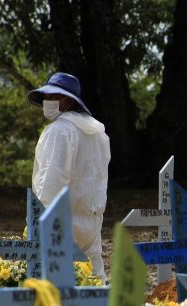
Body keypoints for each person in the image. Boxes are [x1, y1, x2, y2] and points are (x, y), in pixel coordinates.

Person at [28, 72, 110, 279]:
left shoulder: (59, 131)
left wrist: (39, 224)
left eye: (55, 97)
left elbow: (51, 182)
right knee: (93, 283)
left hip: (61, 222)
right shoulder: (99, 133)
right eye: (47, 97)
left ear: (68, 101)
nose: (49, 102)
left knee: (55, 289)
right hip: (92, 220)